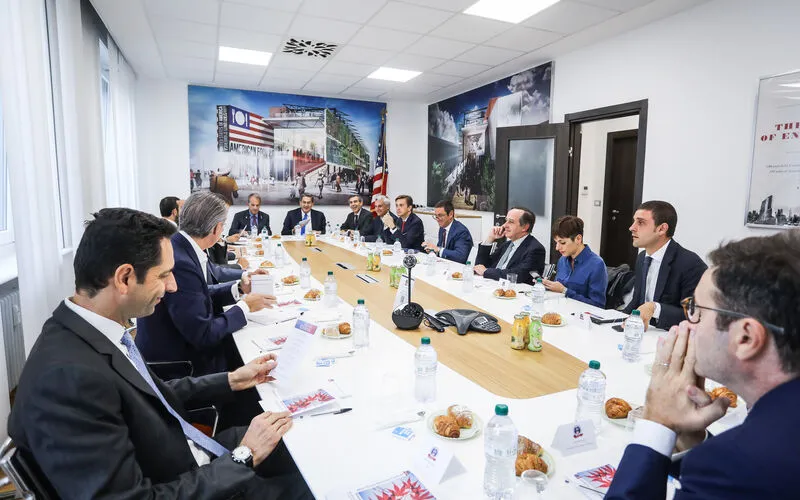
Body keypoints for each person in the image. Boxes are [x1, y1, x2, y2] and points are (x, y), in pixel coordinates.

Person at [8, 207, 312, 499]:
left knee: (308, 438)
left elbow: (152, 395)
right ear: (125, 278)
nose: (173, 286)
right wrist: (245, 455)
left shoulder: (91, 331)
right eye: (164, 275)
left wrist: (232, 379)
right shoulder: (67, 380)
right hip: (189, 478)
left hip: (188, 453)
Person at [606, 230, 800, 499]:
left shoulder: (738, 462)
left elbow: (744, 469)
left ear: (745, 338)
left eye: (697, 311)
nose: (687, 324)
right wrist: (692, 441)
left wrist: (657, 423)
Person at [136, 192, 275, 377]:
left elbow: (195, 294)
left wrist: (239, 288)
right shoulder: (181, 261)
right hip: (180, 364)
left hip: (174, 344)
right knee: (251, 355)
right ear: (216, 228)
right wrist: (244, 307)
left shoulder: (181, 244)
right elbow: (204, 334)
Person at [624, 200, 707, 330]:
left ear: (662, 229)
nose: (632, 228)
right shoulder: (642, 258)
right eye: (634, 221)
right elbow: (636, 302)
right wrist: (613, 319)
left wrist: (655, 308)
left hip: (670, 335)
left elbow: (694, 315)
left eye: (640, 222)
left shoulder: (690, 263)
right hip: (643, 332)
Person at [542, 215, 607, 308]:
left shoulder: (596, 264)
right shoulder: (562, 260)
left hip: (581, 314)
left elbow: (598, 305)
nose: (557, 248)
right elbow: (557, 292)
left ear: (578, 239)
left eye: (562, 242)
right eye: (556, 242)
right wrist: (547, 286)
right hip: (560, 310)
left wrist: (565, 291)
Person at [474, 207, 545, 285]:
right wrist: (490, 238)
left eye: (511, 222)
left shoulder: (535, 249)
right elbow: (479, 266)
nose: (504, 225)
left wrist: (486, 271)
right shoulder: (507, 245)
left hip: (516, 290)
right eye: (506, 220)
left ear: (525, 227)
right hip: (494, 286)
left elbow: (518, 275)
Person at [421, 200, 473, 264]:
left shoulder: (461, 231)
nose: (437, 219)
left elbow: (461, 257)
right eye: (436, 216)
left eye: (440, 215)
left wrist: (438, 250)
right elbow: (440, 250)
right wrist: (432, 250)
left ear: (451, 214)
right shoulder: (442, 228)